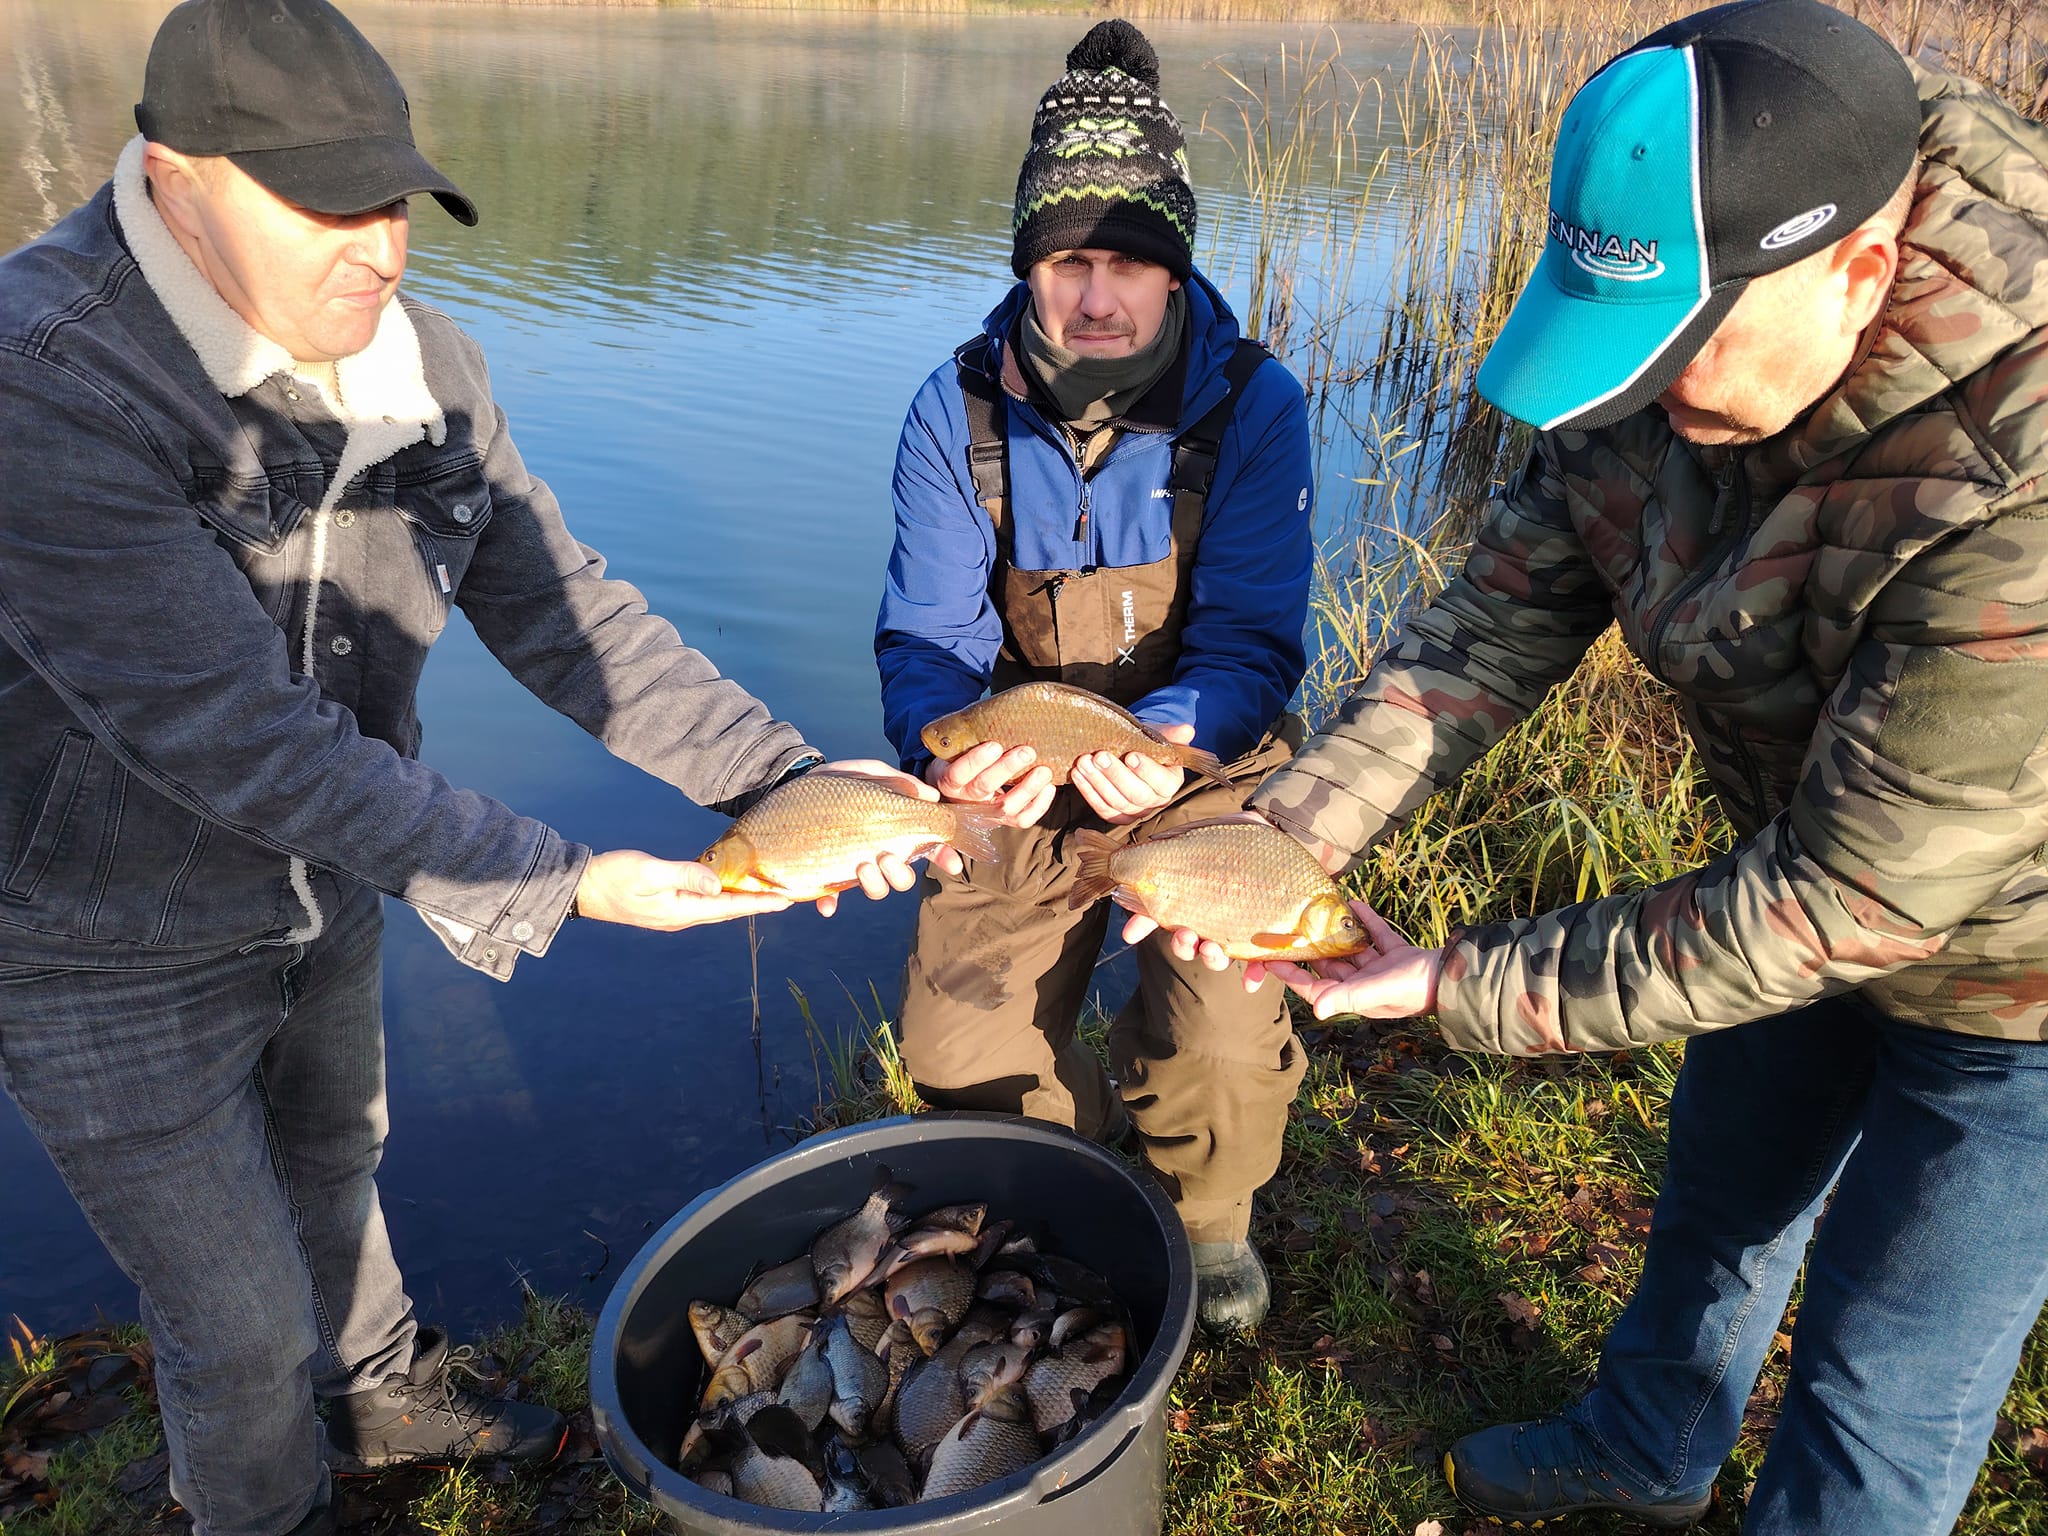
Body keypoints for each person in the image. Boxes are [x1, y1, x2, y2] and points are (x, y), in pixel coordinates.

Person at [0, 4, 937, 1533]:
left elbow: (567, 613)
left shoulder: (422, 363)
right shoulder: (44, 384)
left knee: (338, 1151)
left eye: (393, 199)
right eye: (326, 203)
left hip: (342, 873)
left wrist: (781, 785)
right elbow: (234, 738)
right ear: (174, 180)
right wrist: (566, 882)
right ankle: (264, 1508)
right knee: (233, 1327)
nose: (380, 248)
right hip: (100, 935)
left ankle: (372, 1390)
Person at [1128, 0, 2048, 1527]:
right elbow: (1480, 634)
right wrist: (1282, 848)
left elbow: (1853, 899)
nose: (1645, 395)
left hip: (2015, 977)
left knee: (1884, 1376)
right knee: (1717, 1209)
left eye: (1681, 349)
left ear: (1863, 274)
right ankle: (1647, 1447)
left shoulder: (2016, 479)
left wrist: (1456, 985)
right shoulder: (1656, 340)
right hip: (1781, 868)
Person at [875, 19, 1316, 1333]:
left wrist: (1173, 733)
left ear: (1176, 275)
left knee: (1225, 1031)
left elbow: (1253, 641)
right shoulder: (953, 410)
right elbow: (924, 644)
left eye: (1130, 262)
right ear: (1030, 266)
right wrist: (945, 756)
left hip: (1197, 766)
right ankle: (1049, 1204)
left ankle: (1211, 1225)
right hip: (1018, 768)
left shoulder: (1253, 403)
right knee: (958, 1049)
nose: (1099, 296)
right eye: (1070, 261)